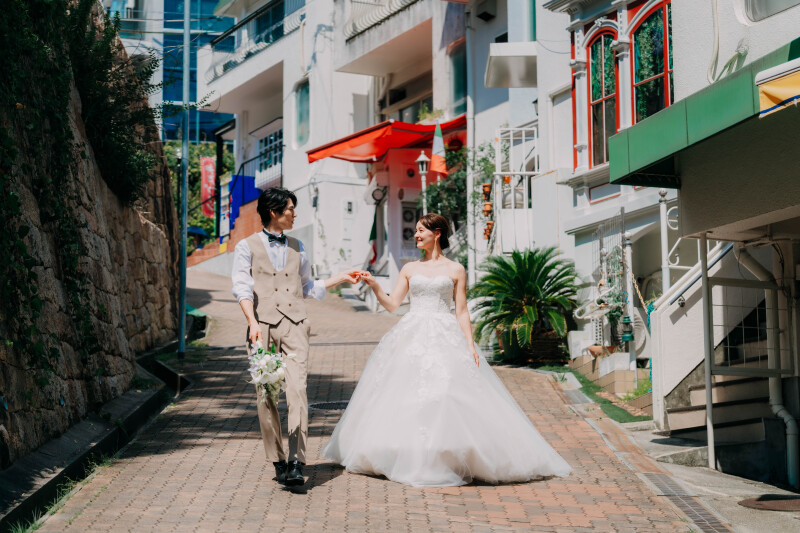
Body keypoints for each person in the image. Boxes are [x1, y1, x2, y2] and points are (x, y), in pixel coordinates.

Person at [323, 213, 572, 487]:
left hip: (446, 333)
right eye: (415, 230)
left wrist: (469, 344)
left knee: (445, 394)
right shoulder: (409, 269)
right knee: (406, 393)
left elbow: (462, 311)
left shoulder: (456, 269)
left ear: (437, 233)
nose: (416, 235)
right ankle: (406, 453)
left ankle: (447, 456)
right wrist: (374, 285)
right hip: (412, 333)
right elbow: (393, 305)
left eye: (421, 231)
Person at [232, 187, 360, 486]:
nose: (294, 213)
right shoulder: (245, 246)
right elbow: (242, 288)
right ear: (274, 211)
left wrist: (341, 277)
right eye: (290, 208)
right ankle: (277, 458)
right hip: (261, 326)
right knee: (266, 395)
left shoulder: (298, 245)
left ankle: (297, 461)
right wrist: (251, 322)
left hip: (296, 325)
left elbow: (307, 286)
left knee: (298, 391)